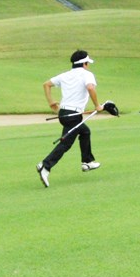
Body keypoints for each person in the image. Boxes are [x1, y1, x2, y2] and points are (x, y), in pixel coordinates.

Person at [36, 50, 104, 188]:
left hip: (64, 113)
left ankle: (87, 162)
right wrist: (97, 105)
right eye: (87, 63)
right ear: (84, 63)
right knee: (65, 144)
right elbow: (90, 88)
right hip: (73, 115)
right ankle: (45, 165)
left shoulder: (65, 75)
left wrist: (51, 103)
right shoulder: (87, 75)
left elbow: (46, 84)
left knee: (85, 132)